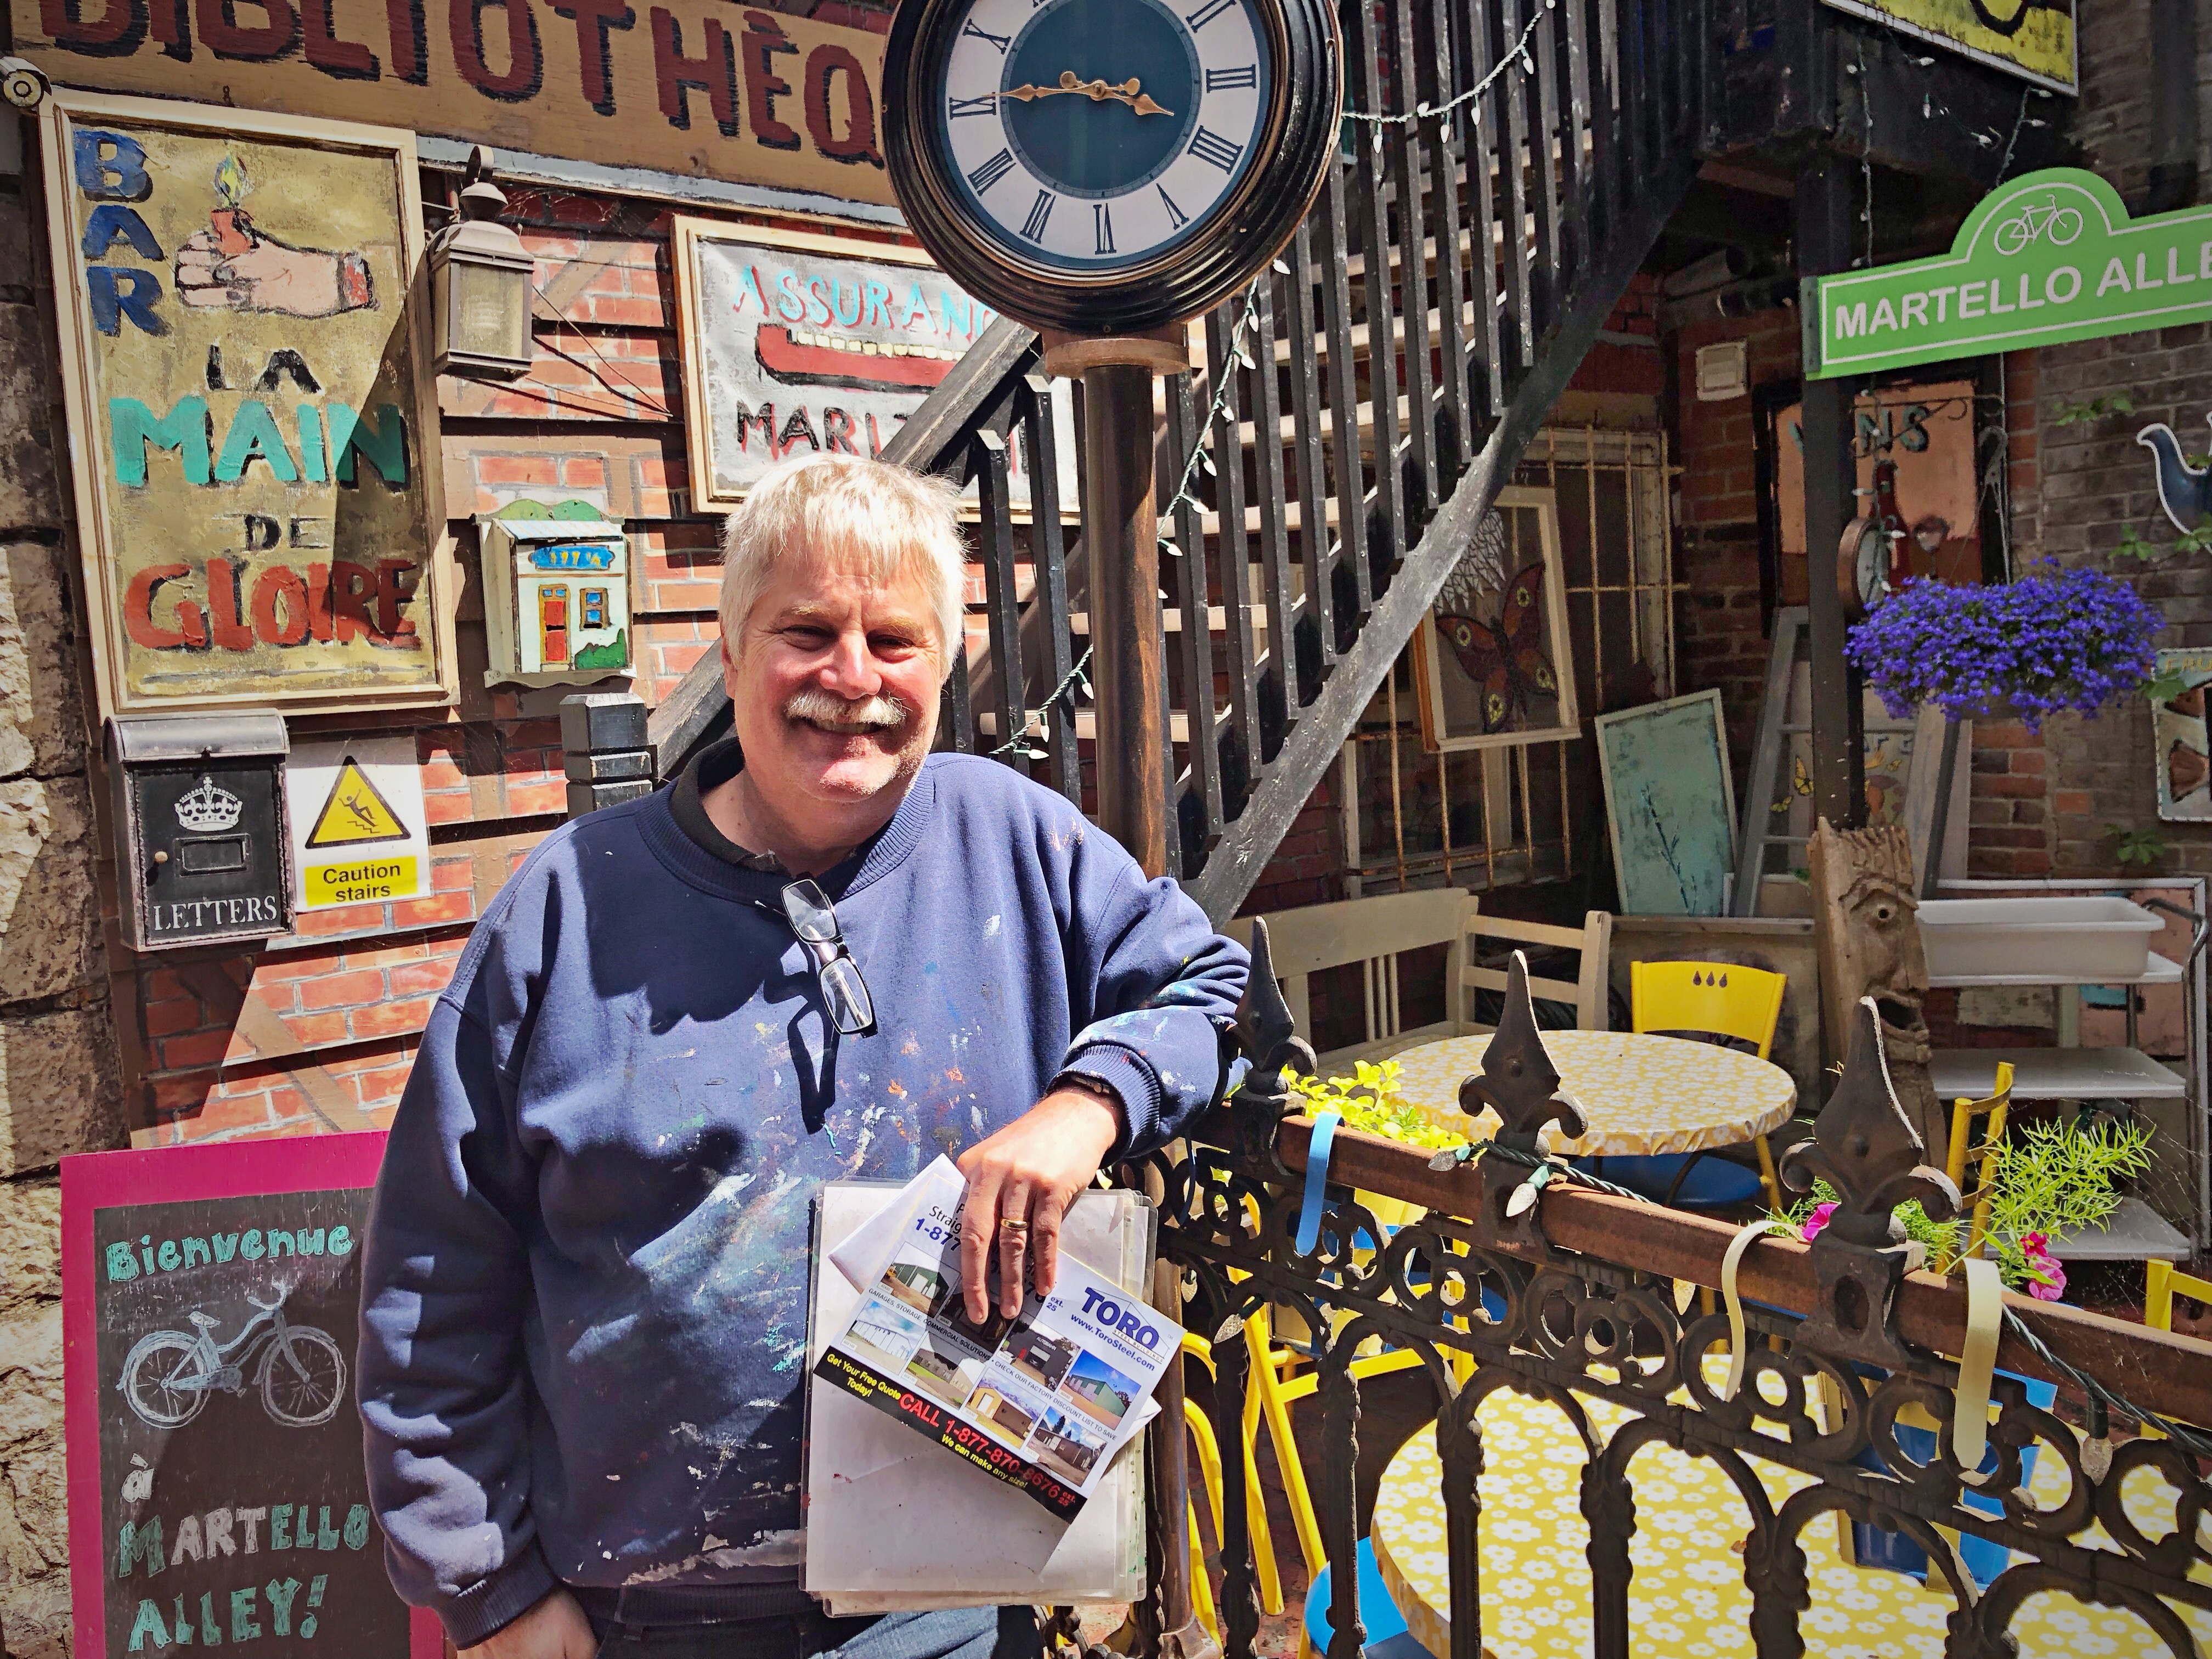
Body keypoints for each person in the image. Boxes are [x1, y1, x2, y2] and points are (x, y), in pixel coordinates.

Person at [357, 453, 1248, 1659]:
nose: (853, 677)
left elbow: (1212, 991)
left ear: (944, 667)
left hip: (949, 1601)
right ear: (731, 655)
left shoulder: (1015, 840)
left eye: (895, 640)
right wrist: (490, 1591)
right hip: (644, 1624)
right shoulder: (566, 909)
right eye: (808, 632)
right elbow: (431, 1283)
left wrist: (1090, 1102)